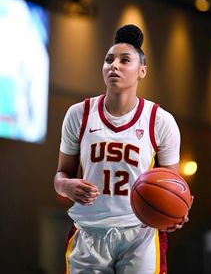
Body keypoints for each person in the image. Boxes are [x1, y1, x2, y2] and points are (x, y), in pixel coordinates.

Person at [54, 24, 190, 274]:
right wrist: (67, 186)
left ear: (142, 71)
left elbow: (174, 184)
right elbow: (60, 177)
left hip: (140, 233)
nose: (114, 65)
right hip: (89, 231)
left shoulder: (160, 120)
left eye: (124, 60)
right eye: (109, 60)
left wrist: (176, 209)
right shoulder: (79, 114)